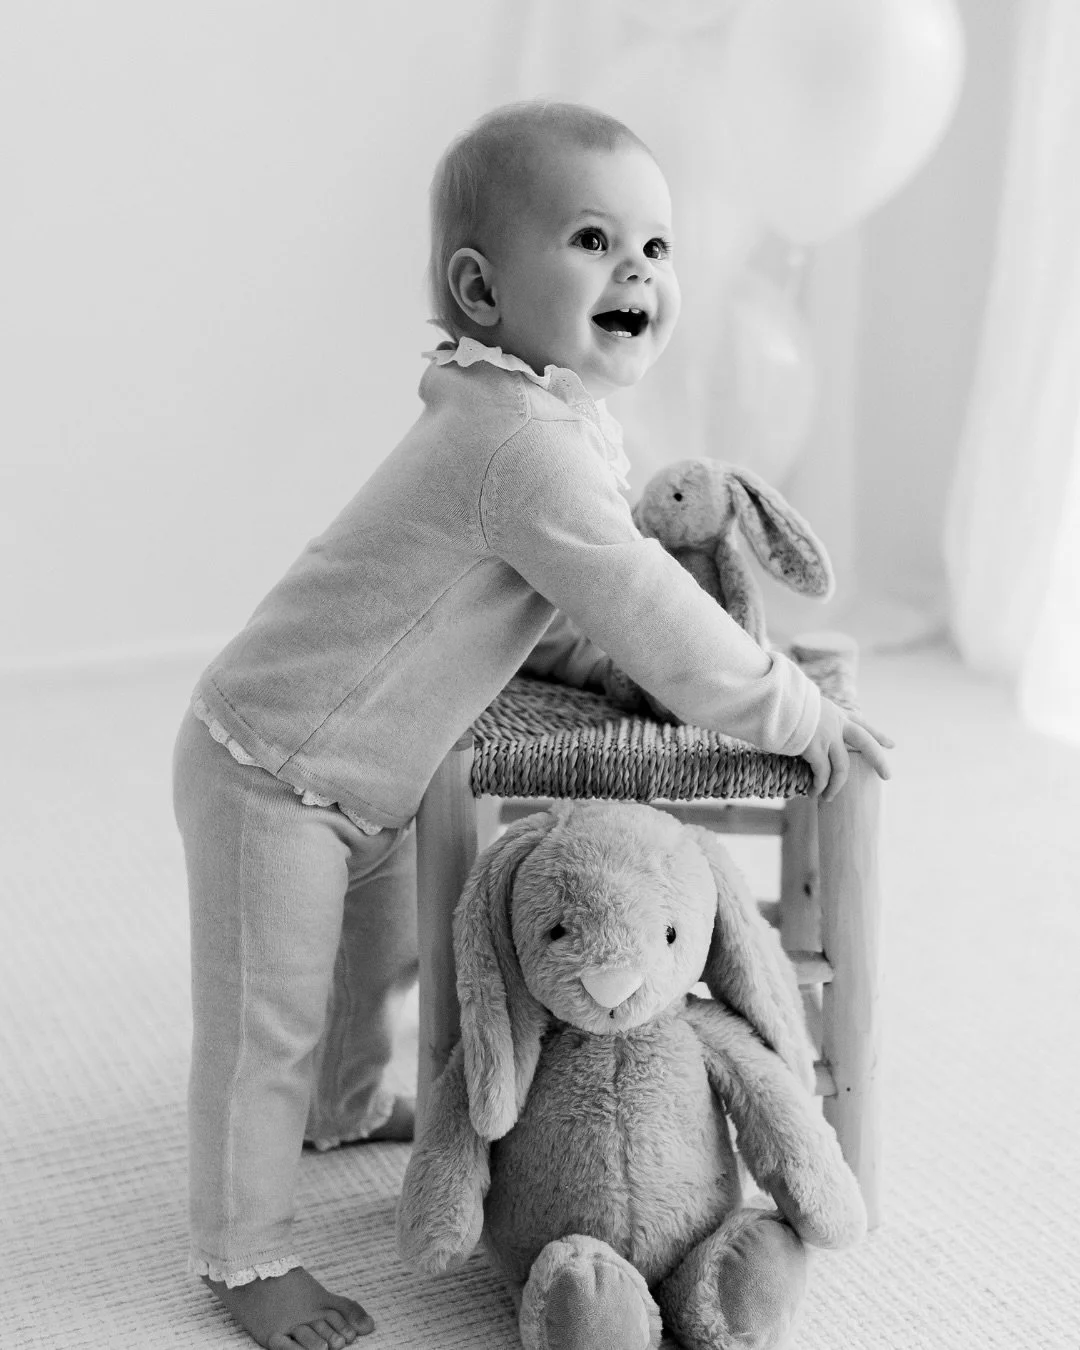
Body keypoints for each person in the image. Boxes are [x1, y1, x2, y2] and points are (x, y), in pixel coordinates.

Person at [172, 99, 892, 1350]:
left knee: (373, 966)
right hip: (270, 768)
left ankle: (341, 1110)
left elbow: (537, 608)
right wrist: (790, 711)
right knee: (262, 1027)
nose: (639, 272)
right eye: (595, 239)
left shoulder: (541, 428)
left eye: (658, 250)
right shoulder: (520, 445)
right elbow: (651, 607)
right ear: (481, 287)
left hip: (363, 777)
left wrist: (614, 681)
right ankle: (246, 1257)